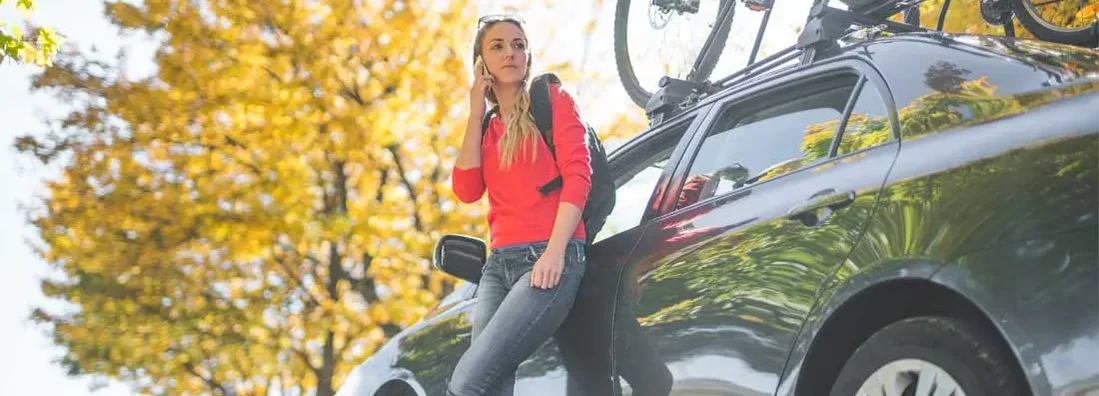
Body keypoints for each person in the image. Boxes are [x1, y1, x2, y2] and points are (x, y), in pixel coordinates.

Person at [446, 14, 592, 396]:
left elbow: (578, 177)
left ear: (528, 55)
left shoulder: (552, 100)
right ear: (481, 64)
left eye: (518, 45)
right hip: (498, 268)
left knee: (467, 381)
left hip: (551, 257)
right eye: (497, 46)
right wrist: (475, 112)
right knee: (490, 384)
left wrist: (555, 253)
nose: (510, 53)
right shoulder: (487, 128)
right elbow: (466, 190)